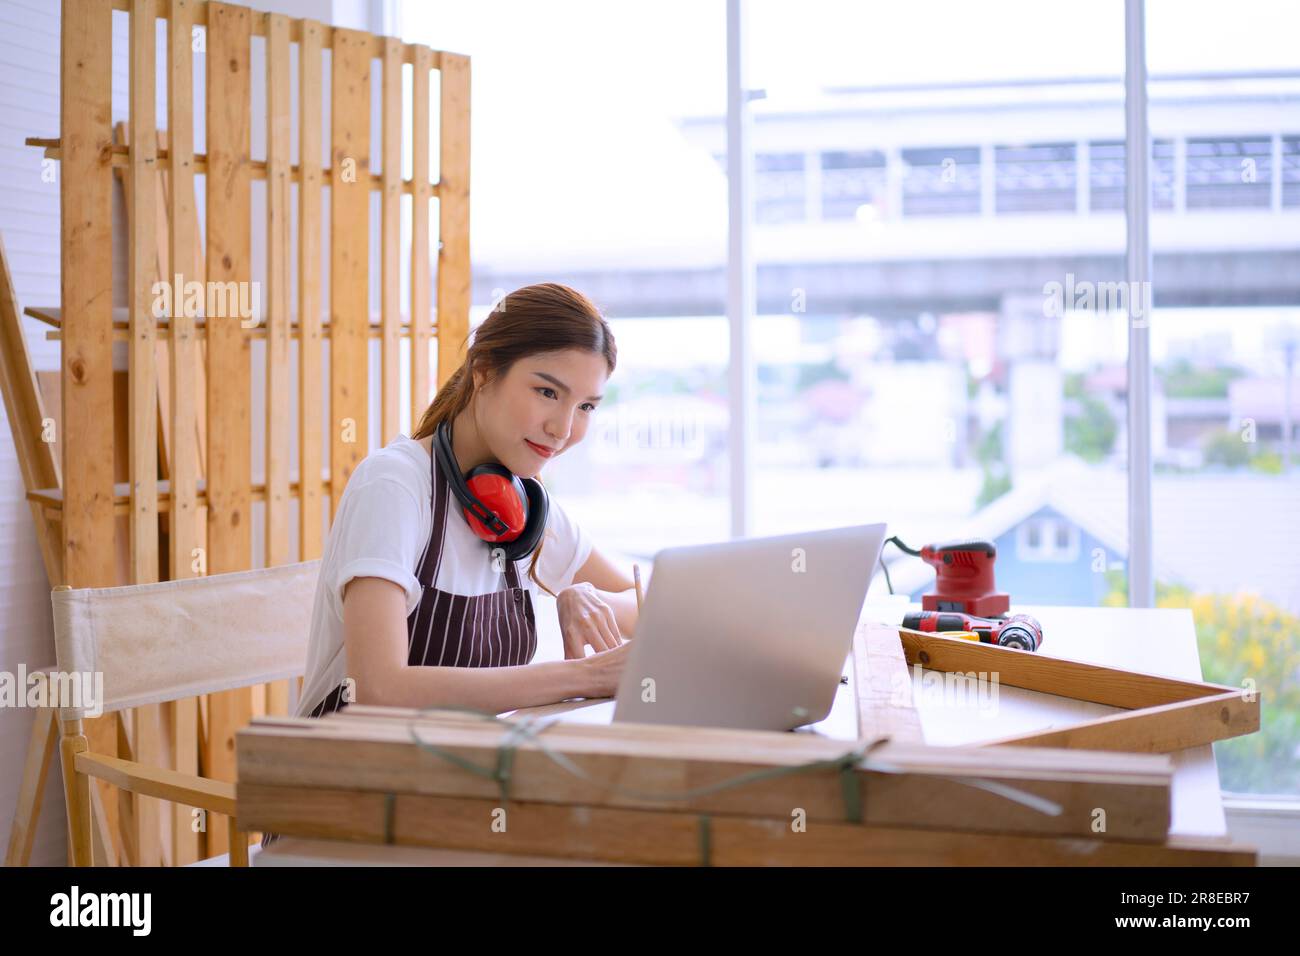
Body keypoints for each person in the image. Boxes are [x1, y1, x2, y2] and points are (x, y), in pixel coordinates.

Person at [260, 283, 637, 850]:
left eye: (585, 405)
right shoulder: (396, 484)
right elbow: (380, 687)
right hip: (342, 818)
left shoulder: (527, 505)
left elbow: (651, 608)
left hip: (452, 804)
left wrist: (582, 595)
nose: (564, 428)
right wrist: (581, 677)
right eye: (546, 391)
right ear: (484, 372)